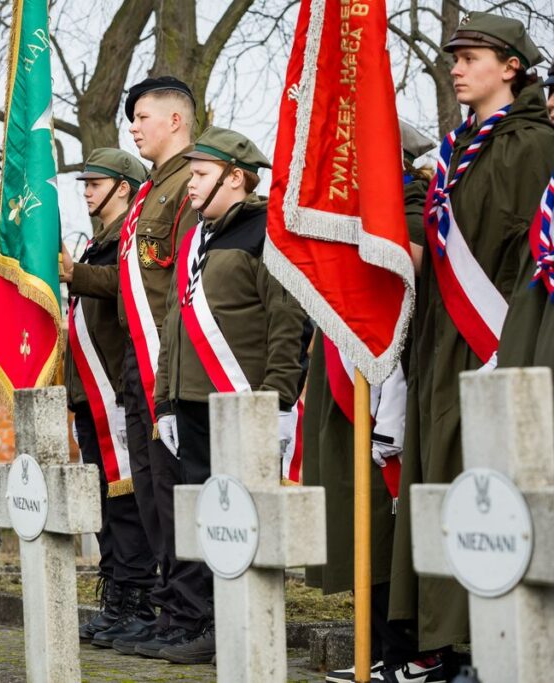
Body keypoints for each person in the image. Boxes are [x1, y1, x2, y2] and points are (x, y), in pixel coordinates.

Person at [389, 13, 554, 674]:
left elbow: (528, 260)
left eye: (472, 55)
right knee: (440, 487)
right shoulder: (460, 148)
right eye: (453, 55)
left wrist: (507, 349)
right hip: (440, 342)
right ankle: (442, 641)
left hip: (494, 346)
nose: (456, 65)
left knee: (481, 485)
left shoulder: (532, 145)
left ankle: (482, 643)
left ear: (511, 65)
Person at [151, 127, 309, 664]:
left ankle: (253, 626)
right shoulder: (197, 235)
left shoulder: (267, 231)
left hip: (244, 403)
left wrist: (280, 400)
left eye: (199, 175)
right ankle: (215, 626)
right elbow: (174, 320)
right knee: (214, 523)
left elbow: (287, 323)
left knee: (248, 523)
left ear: (234, 177)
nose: (190, 186)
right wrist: (164, 400)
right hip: (192, 404)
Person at [61, 76, 198, 655]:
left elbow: (157, 282)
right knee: (139, 495)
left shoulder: (188, 185)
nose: (135, 126)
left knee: (162, 497)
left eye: (143, 116)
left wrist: (77, 274)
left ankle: (176, 609)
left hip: (159, 366)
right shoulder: (148, 199)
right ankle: (157, 606)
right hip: (131, 375)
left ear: (175, 119)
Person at [308, 122, 438, 683]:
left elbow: (402, 265)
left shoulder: (413, 205)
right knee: (364, 526)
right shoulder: (352, 217)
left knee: (390, 533)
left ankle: (409, 653)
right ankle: (379, 648)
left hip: (394, 391)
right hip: (352, 387)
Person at [65, 148, 159, 644]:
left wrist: (75, 274)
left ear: (124, 186)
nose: (86, 191)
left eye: (95, 183)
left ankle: (137, 597)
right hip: (92, 393)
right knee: (106, 502)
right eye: (85, 183)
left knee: (128, 502)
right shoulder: (97, 243)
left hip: (121, 390)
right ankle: (117, 595)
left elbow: (134, 289)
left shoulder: (133, 236)